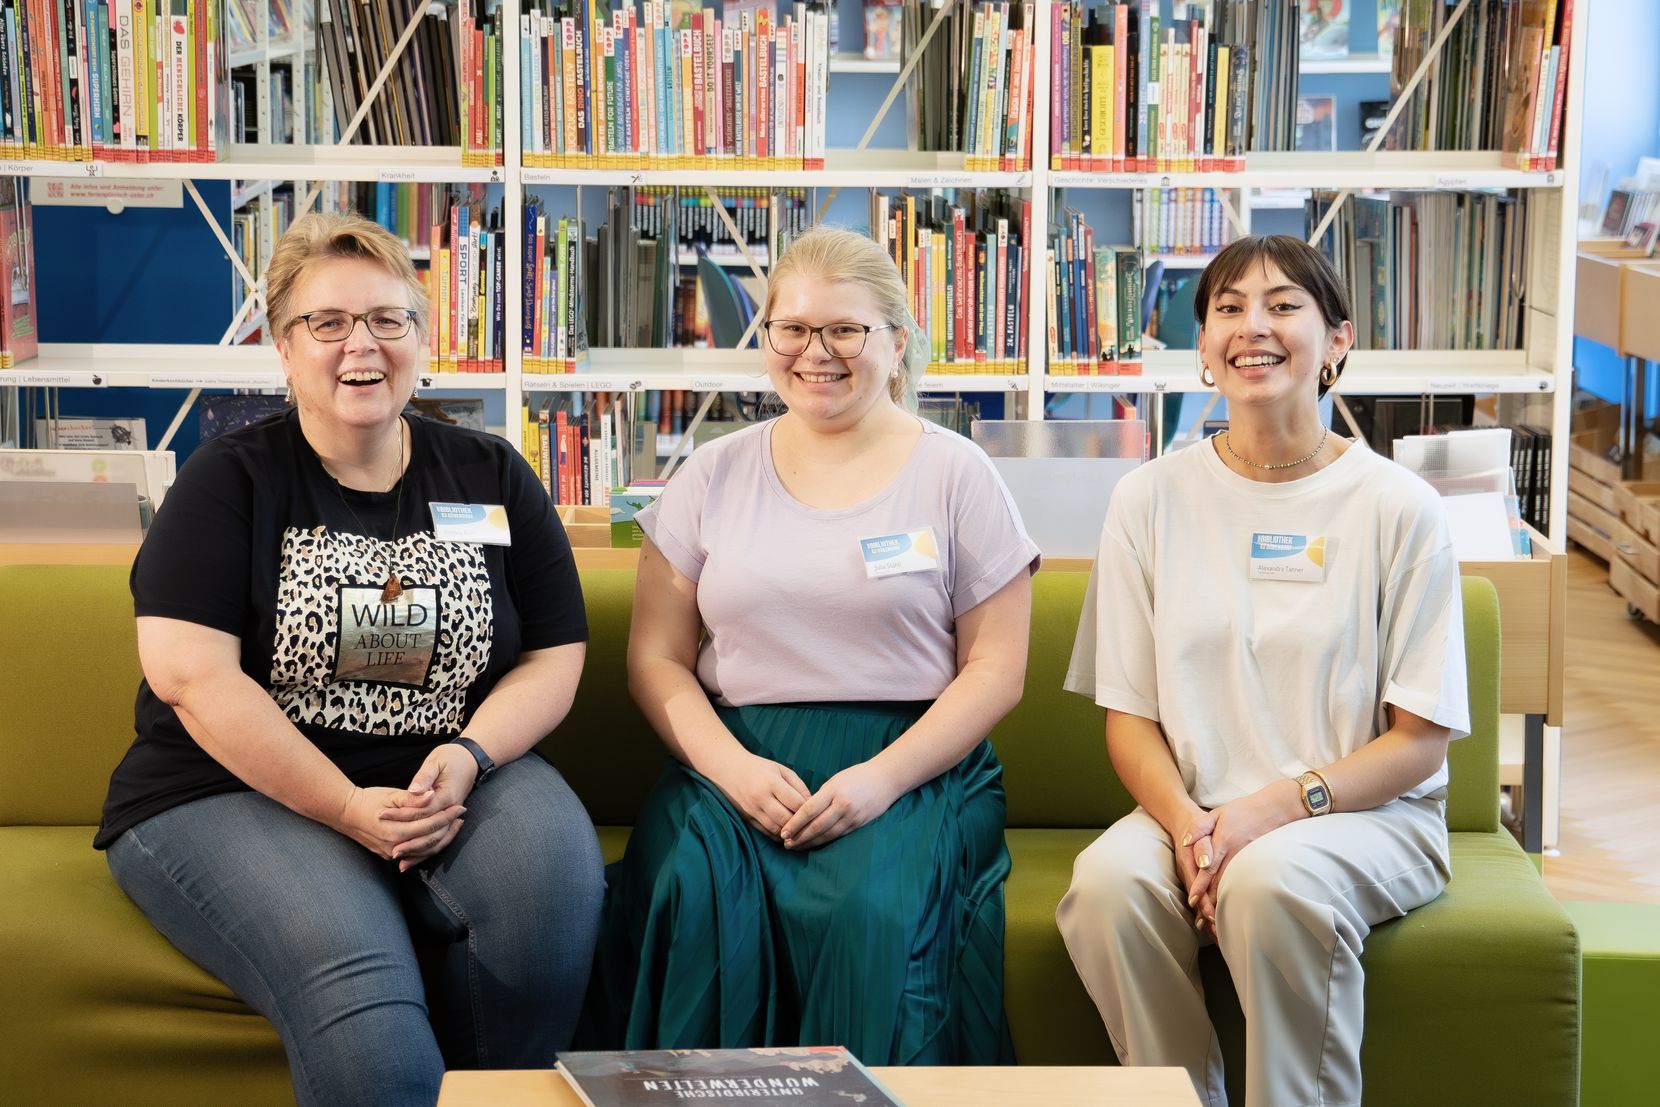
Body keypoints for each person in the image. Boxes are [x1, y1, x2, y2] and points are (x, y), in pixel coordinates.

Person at [95, 212, 604, 1107]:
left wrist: (470, 753)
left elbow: (557, 653)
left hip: (454, 771)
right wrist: (342, 805)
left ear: (419, 338)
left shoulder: (490, 473)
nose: (358, 346)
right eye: (325, 323)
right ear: (282, 349)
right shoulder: (228, 481)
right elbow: (191, 676)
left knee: (551, 901)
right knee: (369, 1025)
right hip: (231, 790)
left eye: (385, 320)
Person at [585, 225, 1040, 1065]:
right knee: (690, 890)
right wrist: (733, 770)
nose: (814, 353)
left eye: (844, 330)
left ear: (897, 342)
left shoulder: (957, 474)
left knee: (868, 916)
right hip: (735, 760)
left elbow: (997, 669)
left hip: (911, 760)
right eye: (791, 329)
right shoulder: (710, 474)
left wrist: (879, 780)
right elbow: (656, 658)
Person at [1057, 234, 1469, 1107]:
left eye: (1284, 305)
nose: (1254, 326)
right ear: (1204, 346)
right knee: (1103, 885)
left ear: (1339, 340)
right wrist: (1189, 828)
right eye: (1229, 308)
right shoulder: (1149, 499)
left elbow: (1420, 741)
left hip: (1366, 814)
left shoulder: (1401, 508)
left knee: (1271, 877)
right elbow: (1128, 715)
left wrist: (1266, 813)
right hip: (1198, 810)